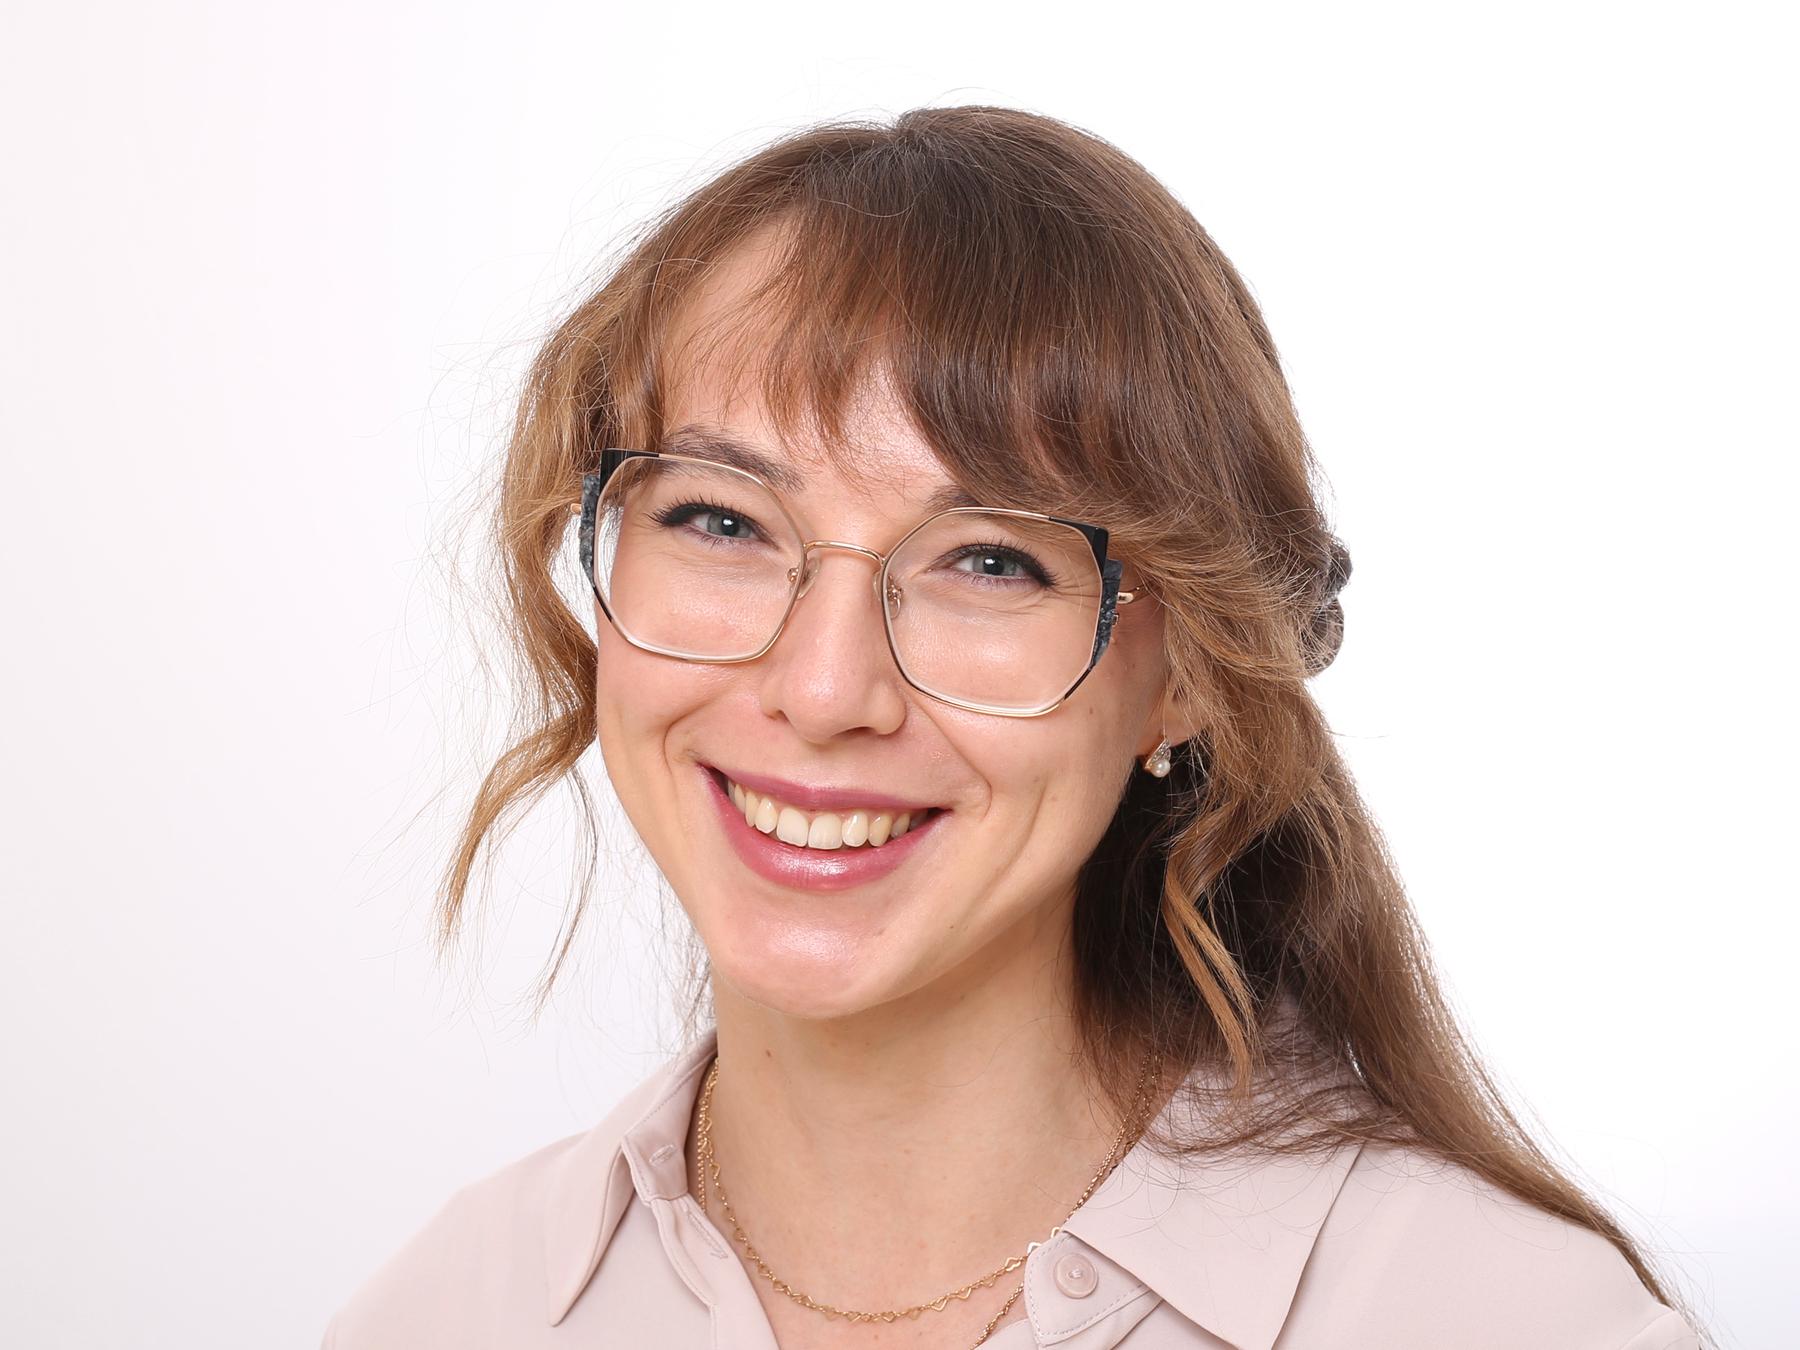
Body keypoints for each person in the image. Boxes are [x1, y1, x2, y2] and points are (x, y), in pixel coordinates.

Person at [322, 106, 1704, 1349]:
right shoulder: (453, 1312)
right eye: (721, 521)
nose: (825, 689)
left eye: (989, 561)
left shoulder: (1511, 1323)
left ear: (1188, 671)